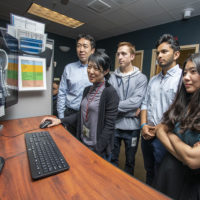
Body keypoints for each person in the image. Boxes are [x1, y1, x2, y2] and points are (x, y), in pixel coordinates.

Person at [41, 51, 119, 160]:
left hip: (97, 149)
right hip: (83, 142)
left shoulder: (110, 92)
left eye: (96, 68)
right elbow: (81, 114)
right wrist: (60, 120)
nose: (91, 71)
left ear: (105, 71)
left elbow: (109, 126)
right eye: (89, 66)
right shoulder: (87, 90)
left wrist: (97, 150)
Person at [153, 53, 200, 200]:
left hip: (191, 185)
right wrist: (185, 154)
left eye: (193, 71)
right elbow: (160, 129)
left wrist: (171, 134)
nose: (186, 77)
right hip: (168, 175)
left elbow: (193, 160)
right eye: (185, 72)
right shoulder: (183, 103)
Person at [140, 34, 182, 185]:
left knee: (164, 175)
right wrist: (143, 125)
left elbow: (182, 112)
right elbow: (144, 103)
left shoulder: (183, 79)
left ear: (176, 54)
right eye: (158, 53)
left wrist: (160, 129)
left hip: (167, 136)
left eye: (164, 52)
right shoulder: (153, 79)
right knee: (149, 170)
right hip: (147, 135)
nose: (159, 56)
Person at [109, 42, 147, 175]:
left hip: (133, 128)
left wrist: (115, 107)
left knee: (130, 161)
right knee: (112, 158)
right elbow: (109, 101)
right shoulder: (112, 77)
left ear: (132, 56)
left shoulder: (141, 78)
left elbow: (136, 102)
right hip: (115, 126)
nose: (120, 57)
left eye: (124, 54)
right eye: (118, 54)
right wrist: (130, 110)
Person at [57, 34, 95, 135]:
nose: (81, 49)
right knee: (68, 143)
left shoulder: (97, 70)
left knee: (86, 144)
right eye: (78, 46)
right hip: (70, 113)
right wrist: (62, 118)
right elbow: (61, 93)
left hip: (89, 115)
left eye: (85, 46)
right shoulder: (68, 68)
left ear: (92, 50)